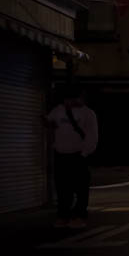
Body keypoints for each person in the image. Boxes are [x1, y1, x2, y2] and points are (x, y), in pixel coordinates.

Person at [45, 85, 98, 228]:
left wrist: (84, 153)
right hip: (61, 154)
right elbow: (49, 123)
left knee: (80, 188)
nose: (73, 101)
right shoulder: (58, 111)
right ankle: (63, 215)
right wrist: (52, 144)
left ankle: (80, 216)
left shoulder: (88, 114)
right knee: (62, 188)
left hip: (78, 155)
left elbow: (92, 136)